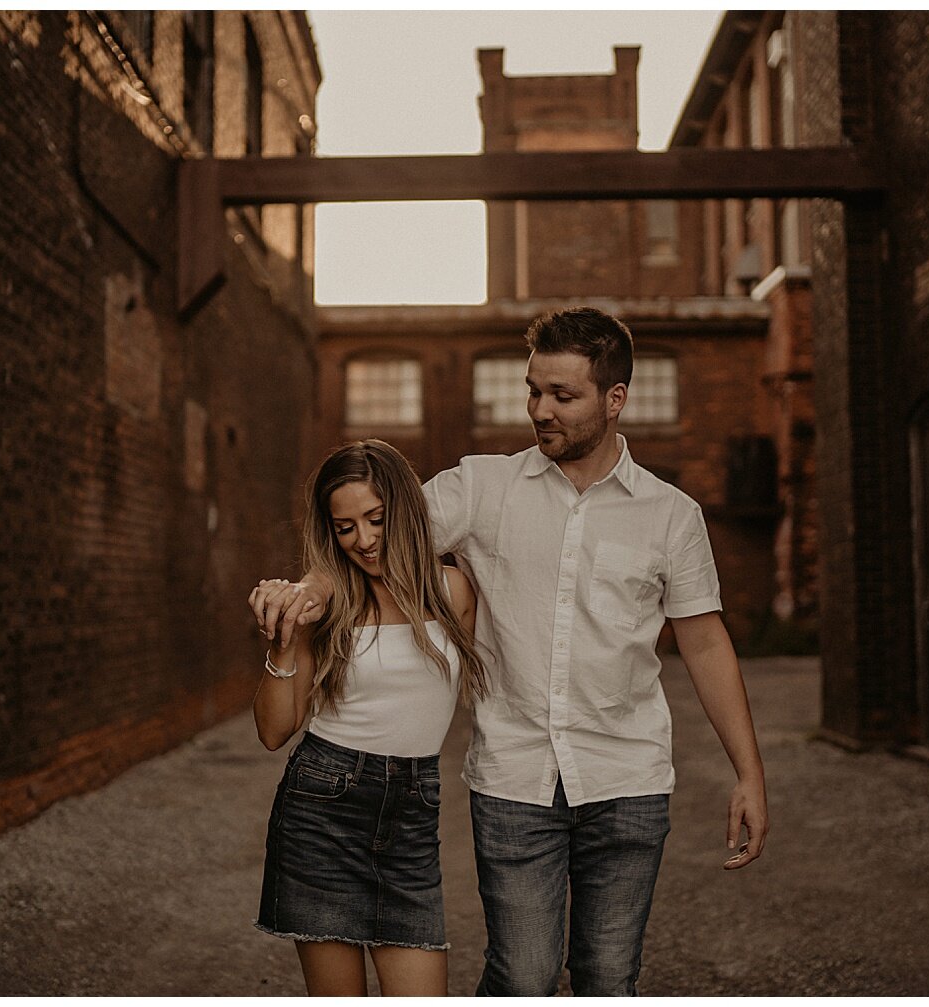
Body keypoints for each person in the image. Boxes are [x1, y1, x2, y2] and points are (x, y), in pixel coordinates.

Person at [255, 306, 769, 996]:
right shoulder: (481, 487)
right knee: (522, 976)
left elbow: (705, 641)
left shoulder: (670, 514)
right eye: (533, 390)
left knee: (609, 975)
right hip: (515, 779)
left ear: (615, 399)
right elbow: (379, 534)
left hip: (628, 776)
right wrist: (309, 591)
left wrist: (748, 772)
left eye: (562, 395)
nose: (539, 409)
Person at [250, 439, 489, 997]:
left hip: (411, 818)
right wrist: (284, 643)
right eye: (345, 527)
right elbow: (273, 731)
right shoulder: (325, 604)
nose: (364, 540)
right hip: (321, 810)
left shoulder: (453, 591)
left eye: (376, 519)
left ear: (405, 509)